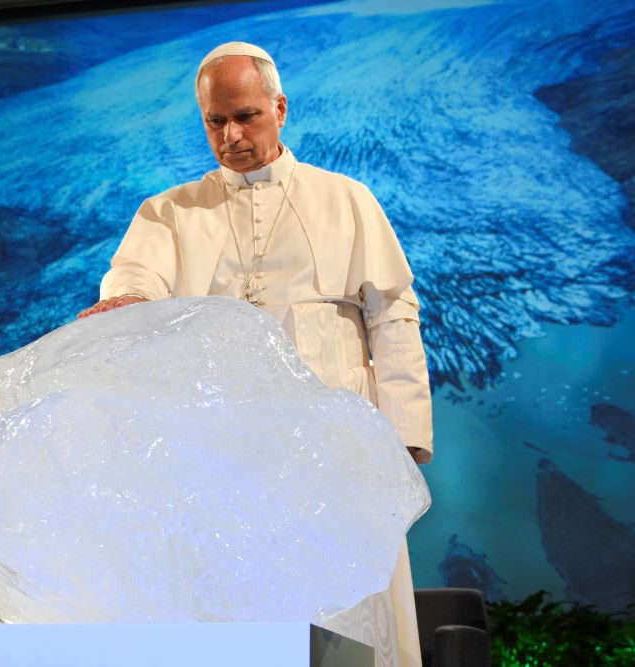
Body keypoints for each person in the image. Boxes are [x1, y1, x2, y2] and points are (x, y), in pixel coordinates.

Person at [79, 42, 433, 667]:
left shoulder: (347, 200)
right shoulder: (169, 211)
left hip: (334, 449)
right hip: (221, 455)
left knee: (346, 623)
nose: (231, 135)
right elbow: (134, 279)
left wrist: (402, 441)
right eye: (215, 122)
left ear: (280, 108)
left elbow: (394, 317)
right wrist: (127, 302)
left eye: (246, 116)